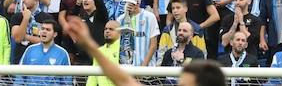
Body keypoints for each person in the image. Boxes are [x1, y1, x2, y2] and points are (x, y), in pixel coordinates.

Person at [62, 15, 227, 86]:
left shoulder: (197, 53)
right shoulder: (170, 53)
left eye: (185, 84)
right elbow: (124, 80)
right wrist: (90, 45)